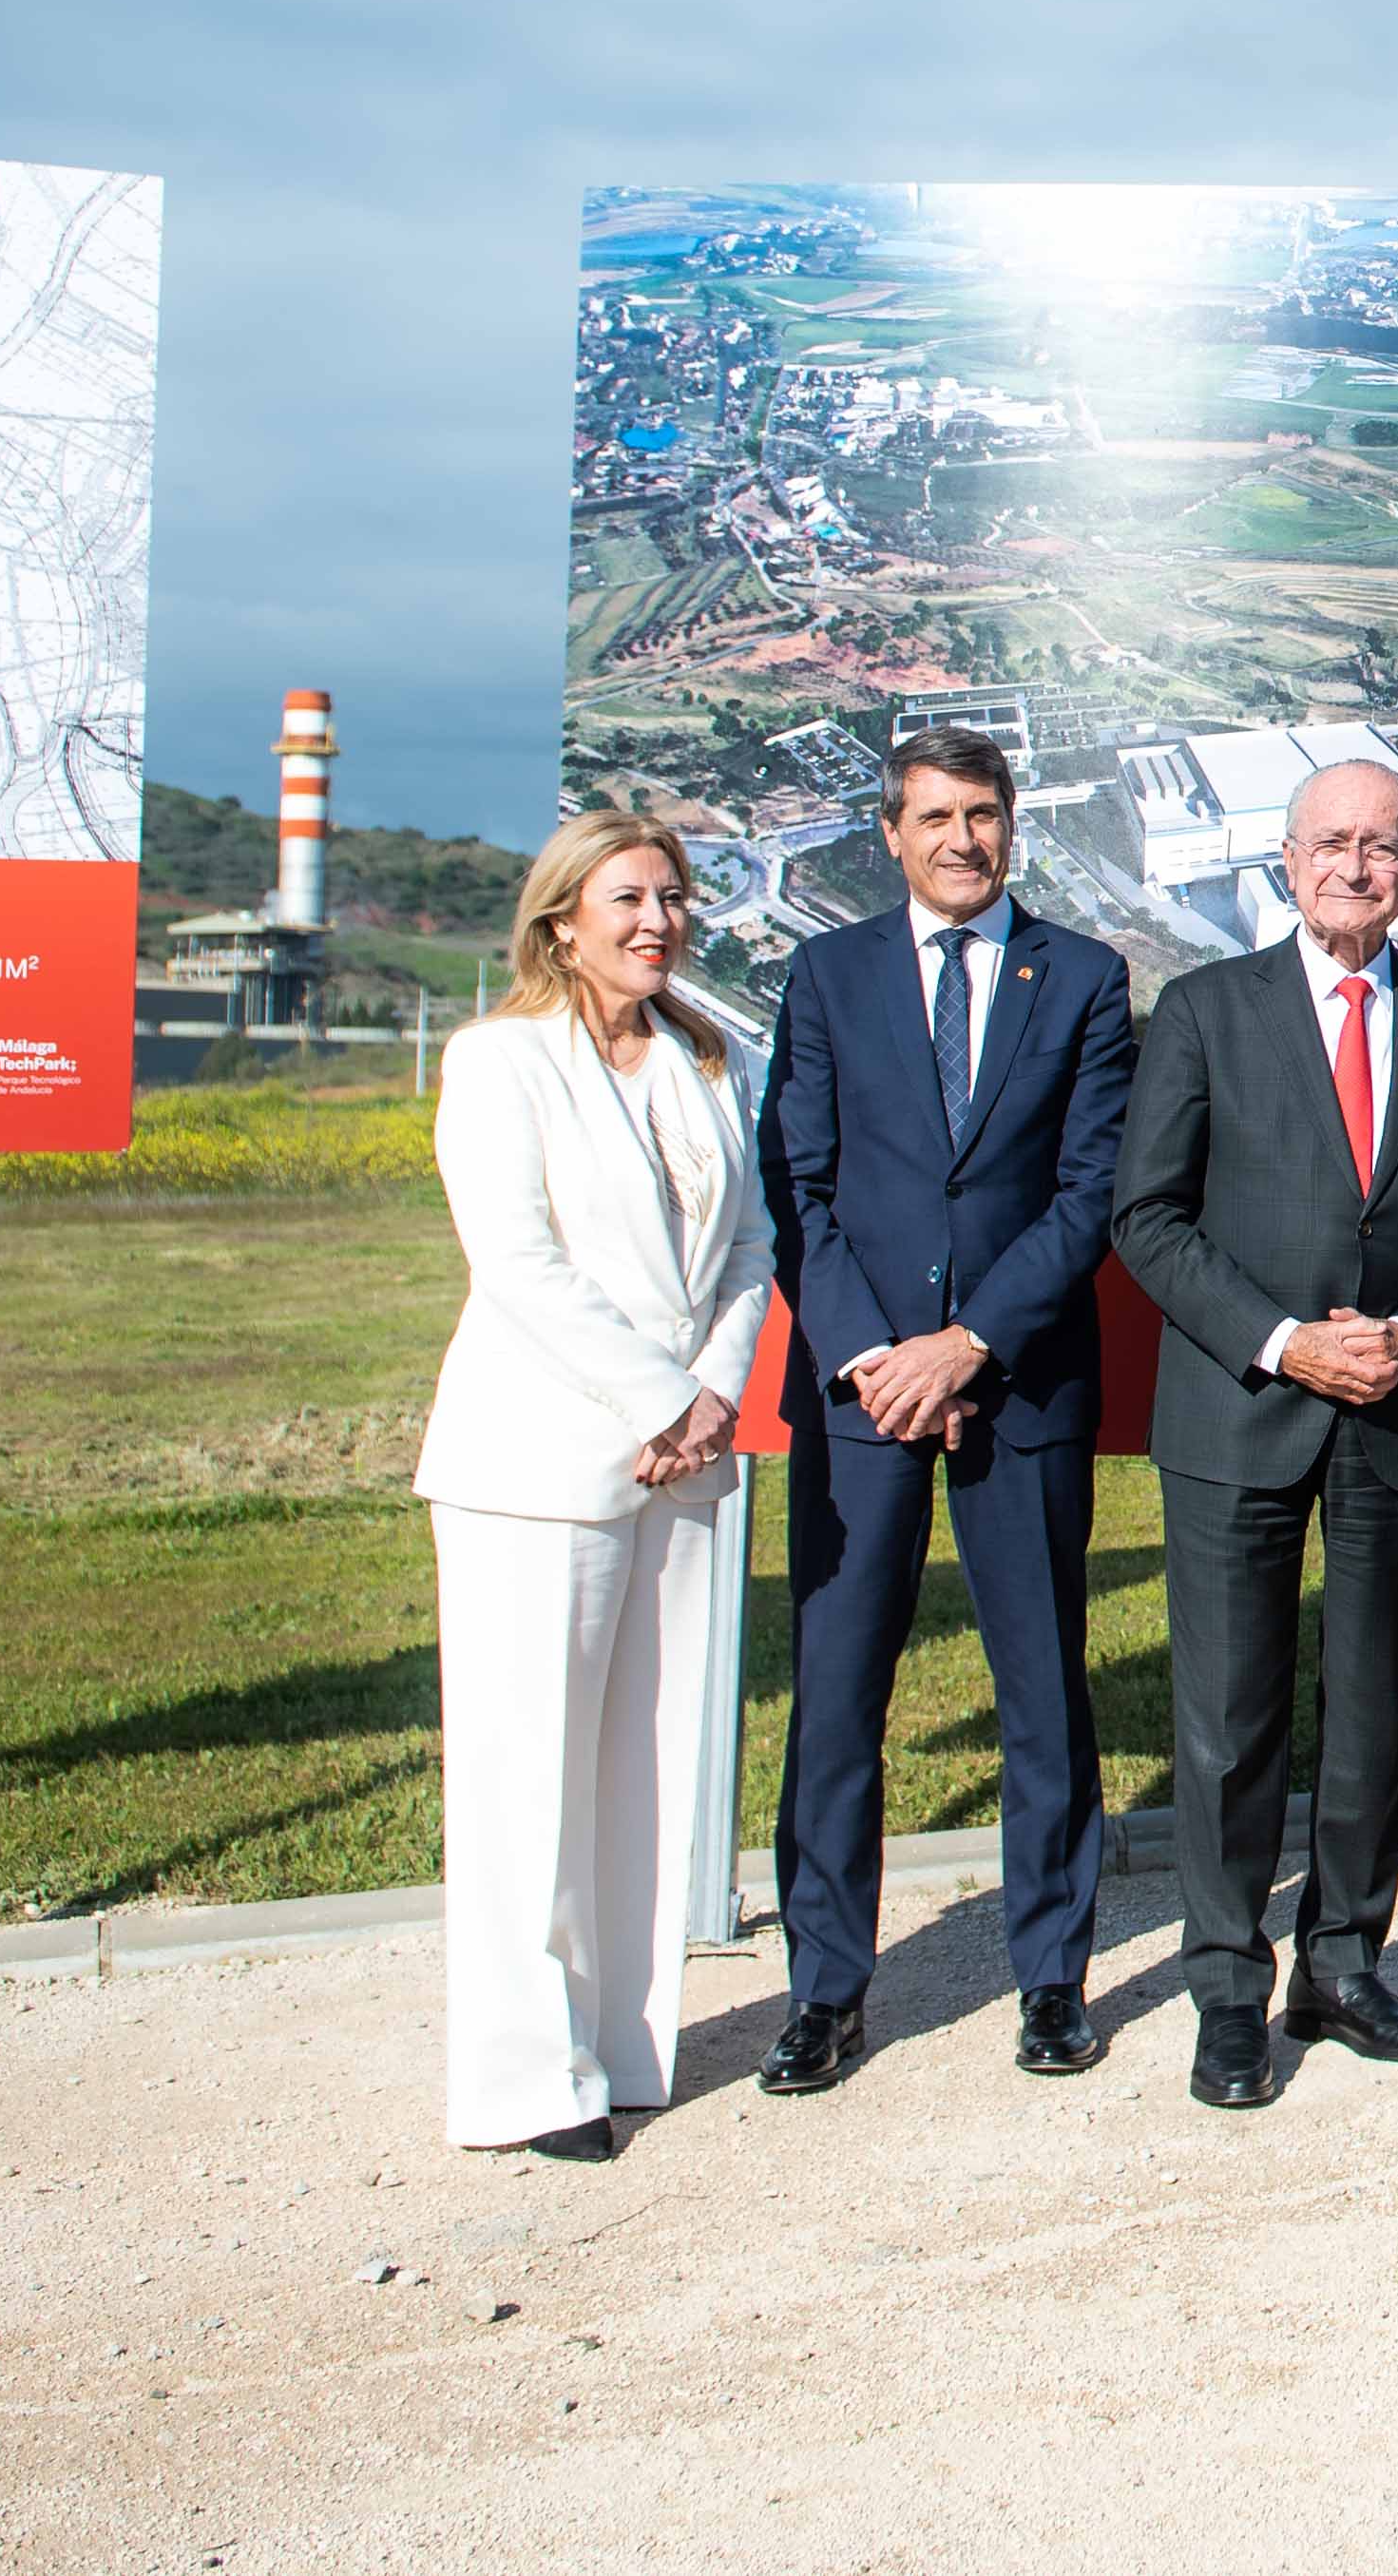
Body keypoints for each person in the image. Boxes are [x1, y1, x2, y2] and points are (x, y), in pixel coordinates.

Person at [1109, 759, 1398, 2114]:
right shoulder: (1204, 1009)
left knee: (1370, 1711)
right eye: (1332, 841)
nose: (1356, 864)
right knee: (1230, 1719)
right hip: (1242, 1410)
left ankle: (1342, 1965)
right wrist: (1286, 1340)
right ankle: (1229, 1987)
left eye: (1383, 845)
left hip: (1396, 1408)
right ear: (1286, 861)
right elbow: (1148, 1215)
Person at [751, 723, 1141, 2094]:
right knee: (837, 1693)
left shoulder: (1083, 977)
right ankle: (824, 1988)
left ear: (1011, 823)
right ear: (891, 832)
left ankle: (1051, 1978)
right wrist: (878, 1357)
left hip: (1019, 1381)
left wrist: (969, 1343)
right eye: (934, 816)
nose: (962, 839)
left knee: (1042, 1688)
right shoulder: (828, 973)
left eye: (982, 814)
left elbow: (1090, 1189)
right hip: (861, 1397)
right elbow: (797, 1185)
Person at [415, 813, 766, 2159]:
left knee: (645, 1775)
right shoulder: (500, 1060)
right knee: (527, 1784)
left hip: (679, 1465)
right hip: (539, 1465)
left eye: (671, 896)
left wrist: (713, 1391)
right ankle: (525, 2078)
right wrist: (660, 1398)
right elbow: (517, 1260)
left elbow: (749, 1244)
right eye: (627, 898)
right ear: (561, 921)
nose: (656, 920)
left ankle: (621, 2046)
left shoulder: (705, 1059)